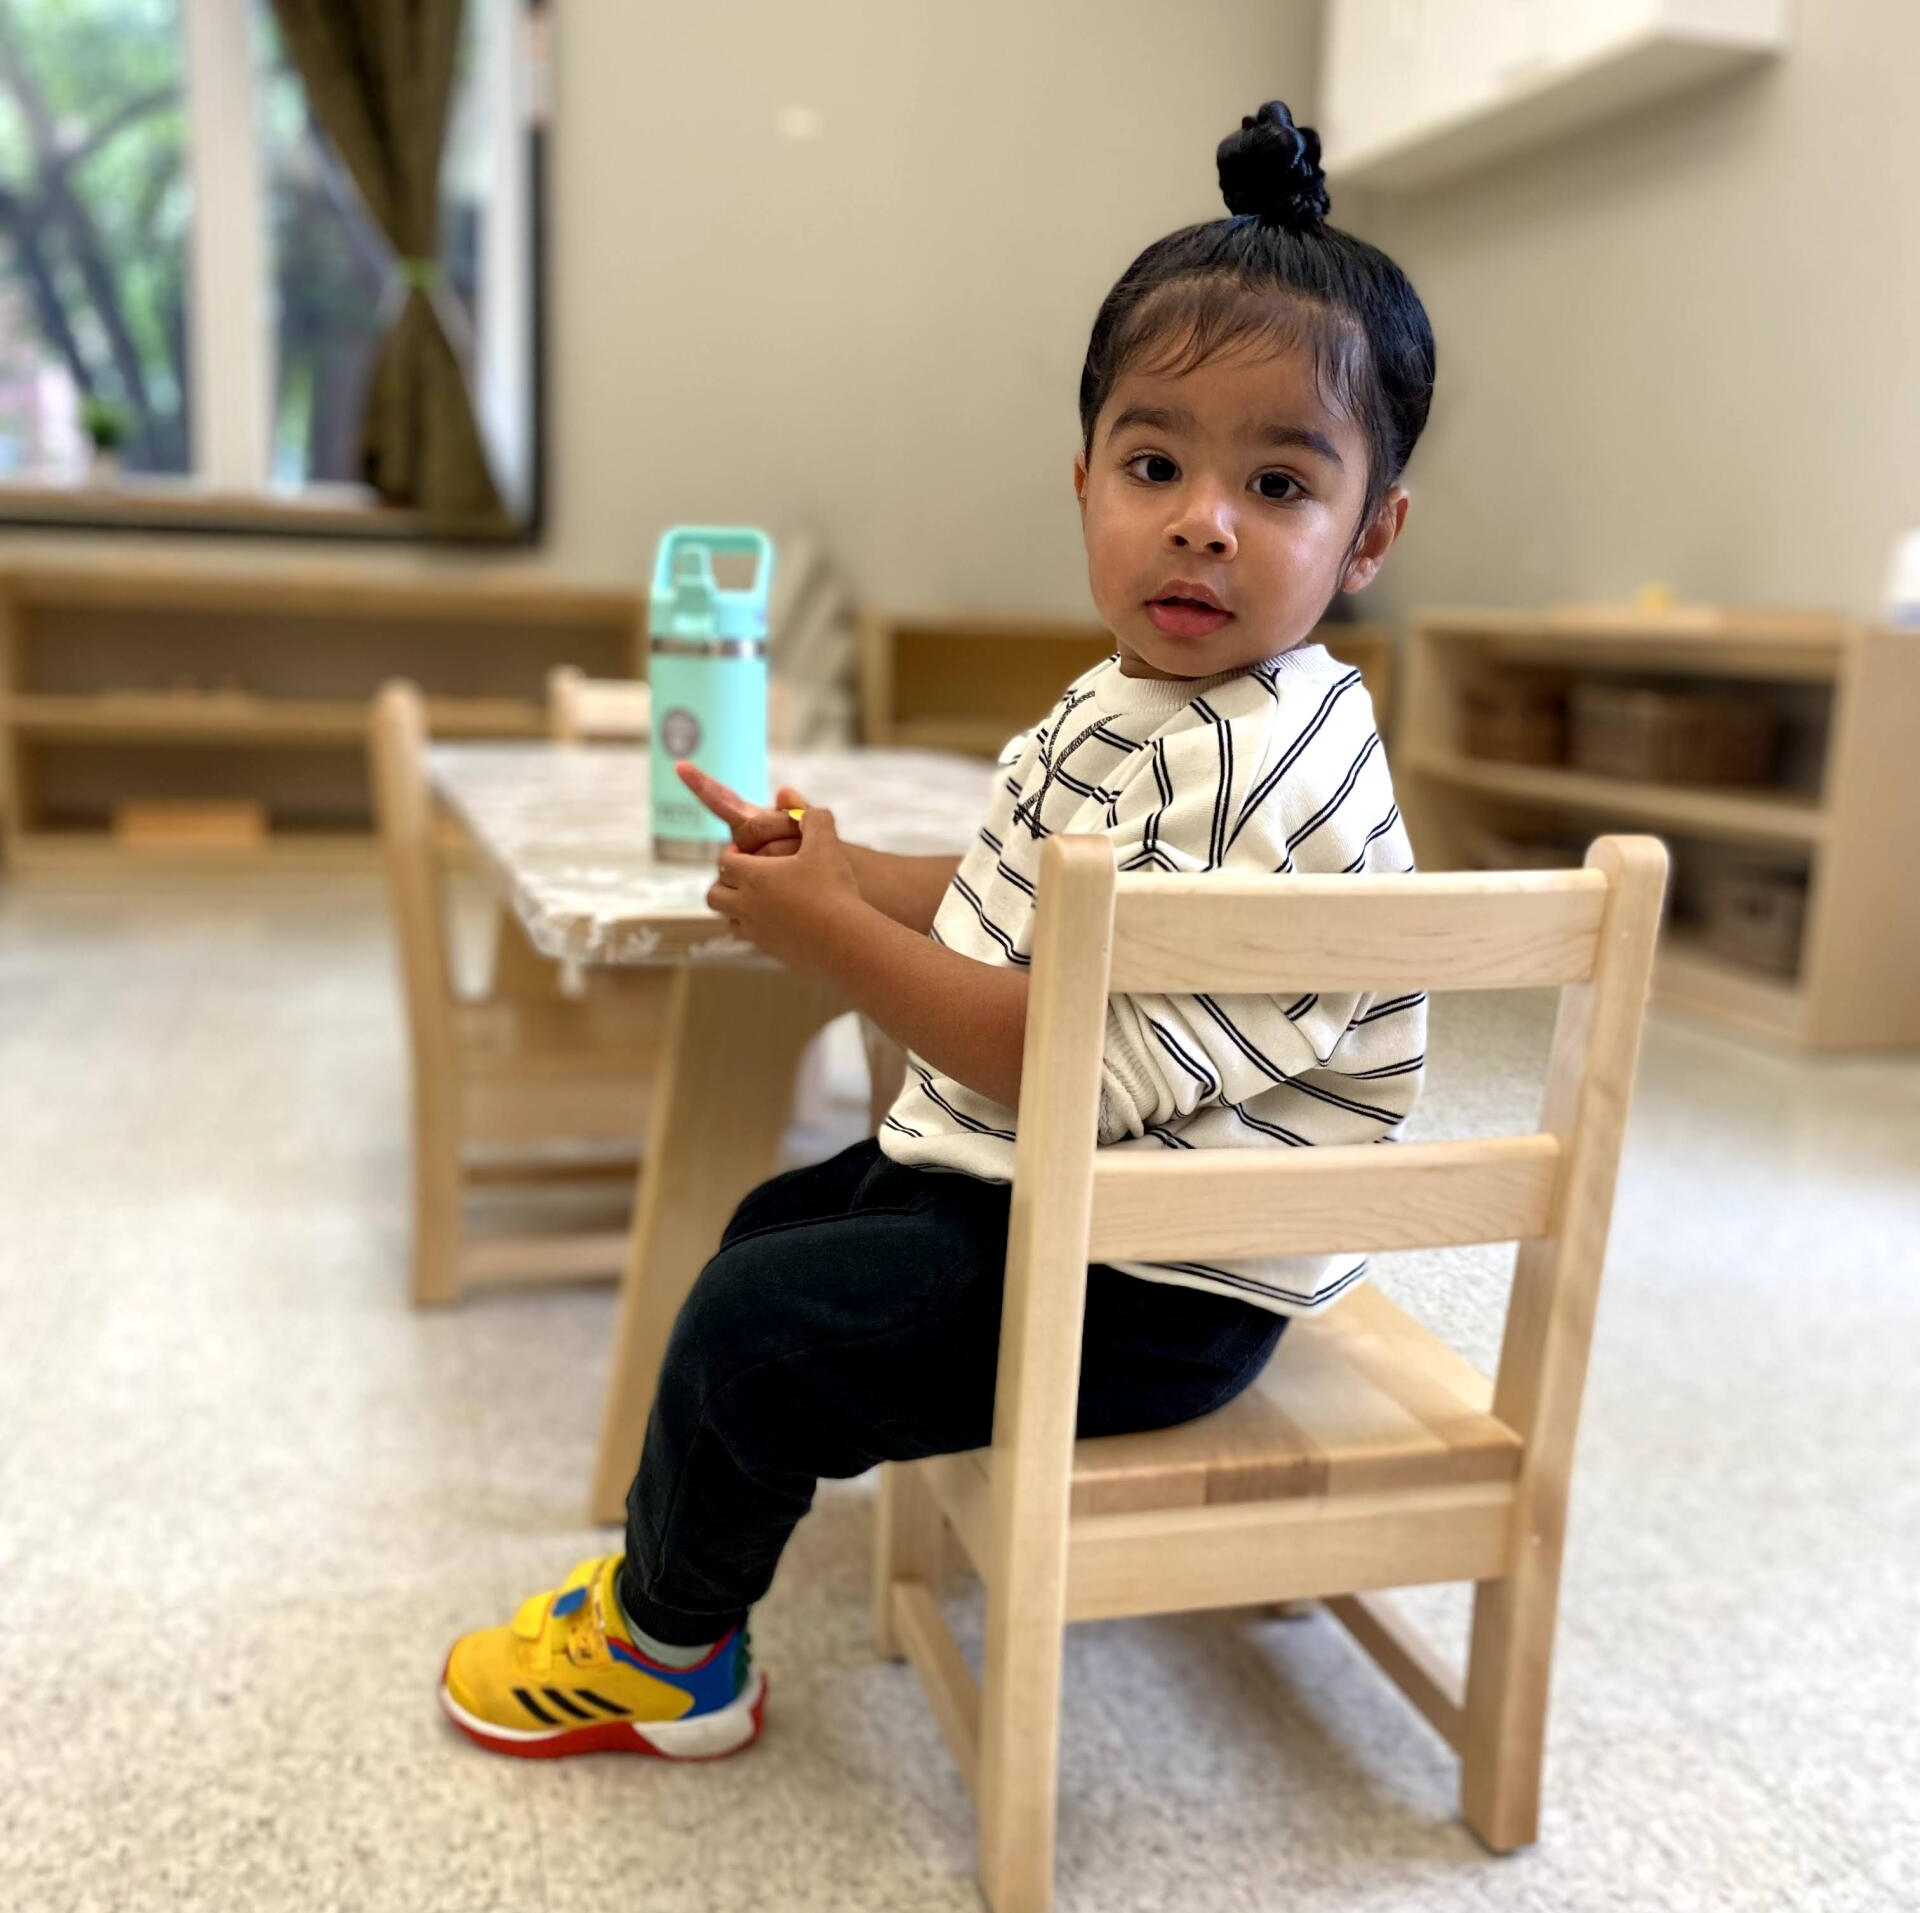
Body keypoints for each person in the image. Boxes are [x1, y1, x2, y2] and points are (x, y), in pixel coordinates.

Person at [439, 100, 1435, 1761]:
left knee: (755, 1338)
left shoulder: (1269, 768)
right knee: (766, 1226)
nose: (1204, 518)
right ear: (1088, 482)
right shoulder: (1141, 698)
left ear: (1372, 534)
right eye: (1156, 463)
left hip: (1160, 1277)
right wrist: (857, 868)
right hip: (1074, 1198)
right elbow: (1014, 898)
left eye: (1278, 481)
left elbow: (1066, 1057)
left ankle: (670, 1655)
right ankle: (658, 1579)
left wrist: (831, 937)